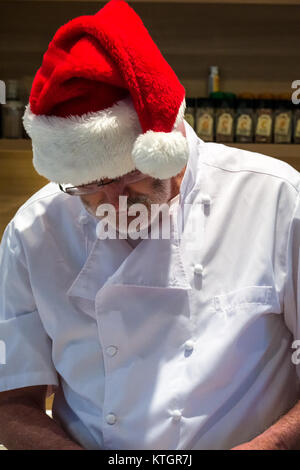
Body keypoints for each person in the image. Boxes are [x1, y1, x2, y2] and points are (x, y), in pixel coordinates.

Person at [0, 0, 300, 451]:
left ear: (169, 141)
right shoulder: (33, 233)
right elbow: (12, 400)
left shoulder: (276, 200)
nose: (115, 201)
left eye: (132, 176)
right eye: (90, 187)